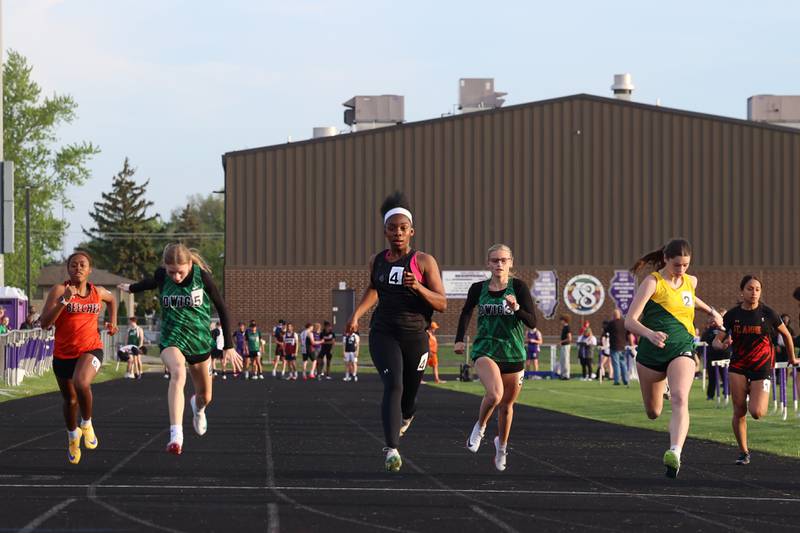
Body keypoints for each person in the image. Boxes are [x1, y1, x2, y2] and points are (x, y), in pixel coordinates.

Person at [345, 191, 446, 472]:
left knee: (409, 396)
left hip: (416, 335)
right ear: (385, 231)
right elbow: (373, 288)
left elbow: (442, 303)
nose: (398, 233)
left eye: (403, 228)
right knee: (394, 385)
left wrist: (418, 287)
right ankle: (391, 449)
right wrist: (356, 314)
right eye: (393, 228)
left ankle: (407, 415)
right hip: (384, 331)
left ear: (412, 231)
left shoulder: (424, 261)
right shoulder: (376, 260)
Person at [120, 243, 243, 455]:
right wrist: (132, 288)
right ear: (165, 268)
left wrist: (229, 346)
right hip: (172, 338)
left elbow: (222, 307)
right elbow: (150, 283)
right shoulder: (162, 275)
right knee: (178, 373)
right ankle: (176, 435)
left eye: (180, 272)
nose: (176, 277)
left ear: (189, 265)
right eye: (171, 272)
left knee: (206, 396)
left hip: (199, 340)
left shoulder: (201, 277)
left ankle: (198, 407)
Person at [625, 239, 723, 478]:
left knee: (680, 398)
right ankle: (664, 385)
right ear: (666, 259)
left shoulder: (691, 281)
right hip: (651, 352)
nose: (681, 269)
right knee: (653, 412)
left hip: (681, 347)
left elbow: (689, 299)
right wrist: (649, 333)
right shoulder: (652, 283)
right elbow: (630, 320)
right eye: (677, 265)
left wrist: (712, 312)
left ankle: (675, 452)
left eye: (686, 265)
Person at [455, 244, 536, 472]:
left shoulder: (518, 287)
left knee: (507, 407)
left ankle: (501, 447)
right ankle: (479, 427)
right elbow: (466, 312)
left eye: (503, 260)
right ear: (488, 263)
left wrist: (516, 307)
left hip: (512, 352)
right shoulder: (478, 288)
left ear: (511, 262)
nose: (499, 264)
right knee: (495, 394)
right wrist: (460, 338)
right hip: (486, 349)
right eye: (494, 260)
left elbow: (532, 322)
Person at [39, 250, 118, 464]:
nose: (78, 268)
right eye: (74, 265)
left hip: (91, 348)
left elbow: (112, 300)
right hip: (64, 354)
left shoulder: (98, 292)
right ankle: (73, 436)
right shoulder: (59, 290)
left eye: (83, 264)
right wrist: (64, 301)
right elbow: (45, 323)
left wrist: (112, 321)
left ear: (90, 269)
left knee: (82, 383)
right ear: (68, 269)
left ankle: (87, 423)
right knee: (70, 399)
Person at [713, 275, 797, 465]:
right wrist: (721, 345)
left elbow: (787, 336)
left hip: (762, 366)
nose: (754, 292)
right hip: (739, 365)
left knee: (757, 412)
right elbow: (717, 340)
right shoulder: (732, 315)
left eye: (757, 289)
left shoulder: (768, 313)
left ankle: (754, 392)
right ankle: (743, 452)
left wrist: (792, 358)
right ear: (742, 291)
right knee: (739, 410)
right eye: (750, 289)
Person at [700, 314, 729, 400]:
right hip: (711, 356)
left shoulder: (724, 329)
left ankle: (727, 392)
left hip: (723, 355)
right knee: (712, 377)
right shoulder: (708, 331)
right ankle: (710, 395)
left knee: (725, 376)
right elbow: (703, 342)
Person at [605, 309, 633, 386]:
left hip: (614, 346)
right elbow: (629, 335)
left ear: (614, 315)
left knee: (616, 364)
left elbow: (605, 332)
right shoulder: (624, 322)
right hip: (623, 346)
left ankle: (617, 380)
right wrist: (632, 345)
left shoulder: (611, 323)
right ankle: (625, 380)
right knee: (623, 364)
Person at [558, 315, 572, 380]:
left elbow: (569, 338)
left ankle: (567, 375)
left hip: (566, 346)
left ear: (564, 320)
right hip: (563, 346)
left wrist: (561, 341)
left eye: (561, 320)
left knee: (566, 360)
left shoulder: (567, 327)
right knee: (562, 360)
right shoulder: (564, 327)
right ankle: (563, 374)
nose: (561, 322)